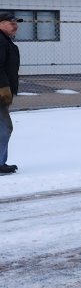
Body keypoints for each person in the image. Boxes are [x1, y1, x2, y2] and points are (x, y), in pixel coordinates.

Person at [0, 11, 21, 175]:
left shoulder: (5, 41)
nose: (15, 25)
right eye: (10, 22)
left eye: (16, 22)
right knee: (4, 128)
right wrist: (3, 88)